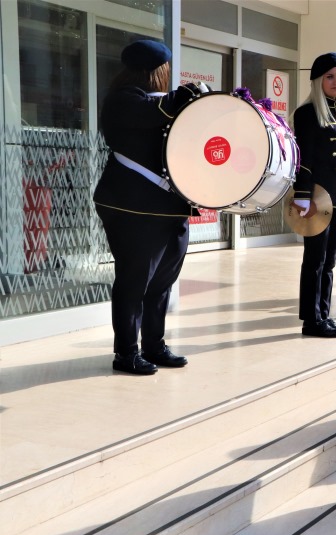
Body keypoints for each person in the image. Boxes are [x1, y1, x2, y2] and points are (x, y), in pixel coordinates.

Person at [93, 40, 203, 375]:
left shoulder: (160, 101)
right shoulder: (122, 99)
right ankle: (126, 353)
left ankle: (154, 345)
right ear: (155, 70)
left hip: (170, 206)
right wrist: (185, 94)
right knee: (134, 280)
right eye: (166, 68)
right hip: (132, 206)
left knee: (162, 282)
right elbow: (152, 112)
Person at [292, 52, 336, 338]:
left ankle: (324, 315)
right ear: (318, 80)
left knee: (329, 262)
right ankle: (311, 320)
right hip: (317, 200)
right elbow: (303, 158)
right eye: (329, 76)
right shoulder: (307, 113)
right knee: (314, 261)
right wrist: (302, 195)